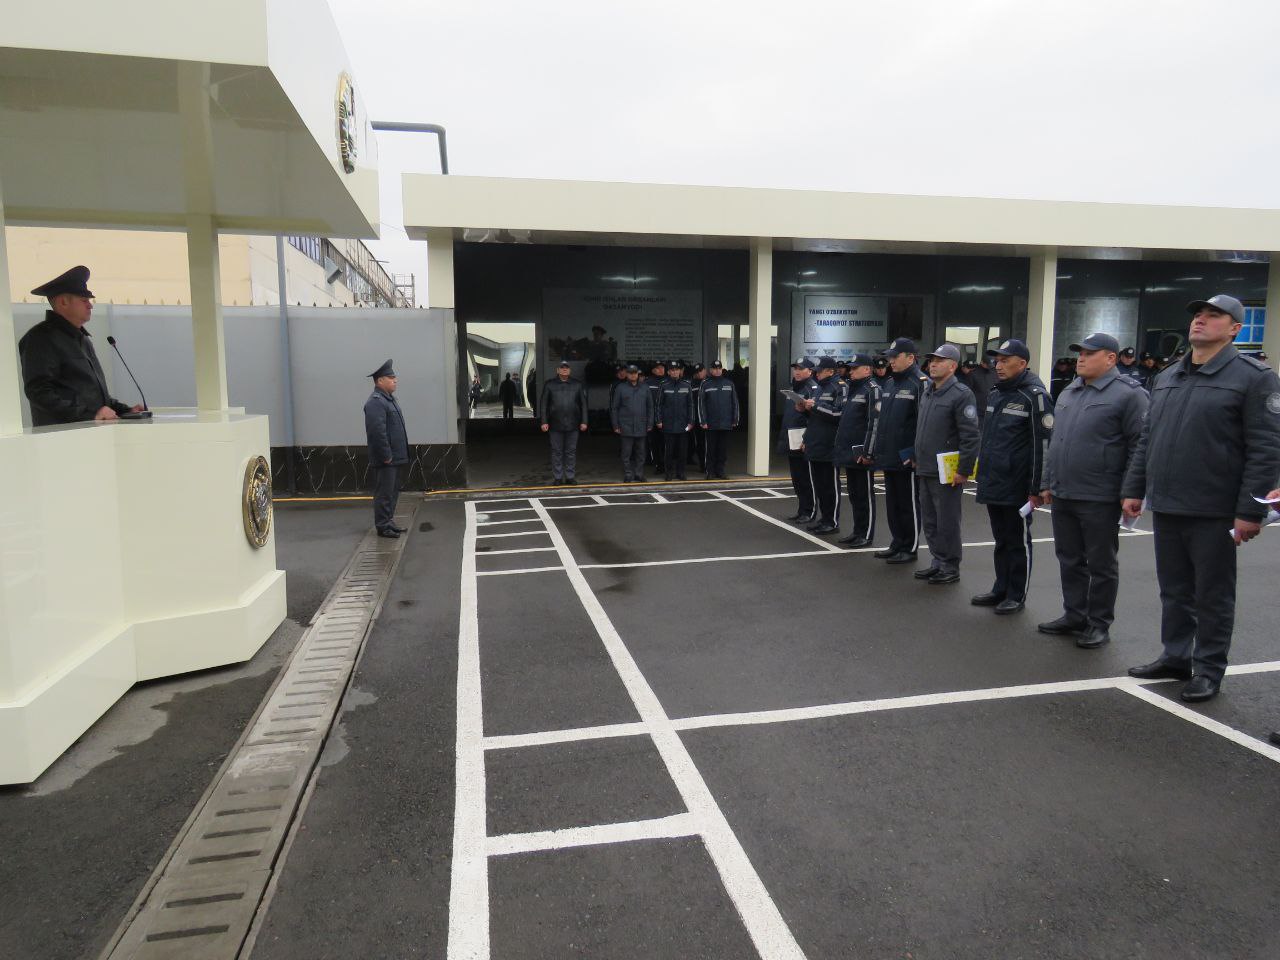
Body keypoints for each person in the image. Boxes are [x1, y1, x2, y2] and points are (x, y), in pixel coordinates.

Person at [1121, 294, 1280, 702]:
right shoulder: (1168, 376)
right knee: (1174, 589)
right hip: (1169, 502)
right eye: (1197, 314)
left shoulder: (1254, 378)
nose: (1200, 320)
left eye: (1213, 316)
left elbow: (1265, 448)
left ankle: (1208, 668)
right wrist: (1134, 488)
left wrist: (1251, 510)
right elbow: (1148, 438)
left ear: (1234, 329)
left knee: (1212, 594)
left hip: (1215, 508)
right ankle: (1176, 656)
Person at [1036, 333, 1149, 648]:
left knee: (1101, 563)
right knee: (1069, 558)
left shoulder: (1129, 394)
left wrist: (1132, 490)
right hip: (1065, 491)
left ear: (1111, 358)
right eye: (1080, 353)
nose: (1081, 358)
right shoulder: (1070, 391)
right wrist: (1047, 481)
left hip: (1100, 494)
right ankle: (1075, 614)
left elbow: (1140, 446)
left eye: (1089, 353)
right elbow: (1055, 442)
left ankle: (1099, 622)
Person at [971, 339, 1053, 614]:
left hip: (1017, 483)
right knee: (1001, 539)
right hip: (995, 479)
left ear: (1023, 363)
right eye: (997, 360)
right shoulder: (996, 393)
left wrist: (1038, 485)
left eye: (1005, 360)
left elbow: (1043, 444)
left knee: (1018, 541)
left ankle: (1016, 594)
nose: (999, 365)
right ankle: (1001, 587)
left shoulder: (1035, 396)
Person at [18, 265, 145, 425]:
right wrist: (90, 415)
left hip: (90, 432)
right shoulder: (40, 338)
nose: (90, 305)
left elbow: (94, 397)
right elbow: (39, 392)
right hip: (62, 435)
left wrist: (126, 411)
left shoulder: (82, 339)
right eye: (84, 300)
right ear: (63, 302)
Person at [911, 344, 980, 585]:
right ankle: (937, 561)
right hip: (926, 466)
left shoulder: (961, 394)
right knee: (930, 520)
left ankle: (950, 566)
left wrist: (964, 470)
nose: (933, 364)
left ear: (952, 366)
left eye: (939, 360)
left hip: (946, 471)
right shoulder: (928, 391)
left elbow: (970, 436)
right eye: (932, 360)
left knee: (947, 521)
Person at [871, 338, 928, 563]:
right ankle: (897, 542)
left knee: (908, 503)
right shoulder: (890, 383)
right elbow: (883, 420)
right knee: (893, 503)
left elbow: (924, 423)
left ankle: (909, 547)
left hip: (907, 456)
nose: (891, 361)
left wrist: (915, 452)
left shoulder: (919, 383)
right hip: (889, 452)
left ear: (911, 358)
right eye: (890, 357)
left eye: (895, 357)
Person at [833, 354, 881, 547]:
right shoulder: (853, 388)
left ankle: (866, 534)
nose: (850, 371)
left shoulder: (873, 390)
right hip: (850, 451)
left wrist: (869, 452)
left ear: (867, 369)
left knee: (864, 495)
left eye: (855, 368)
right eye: (850, 368)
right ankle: (857, 531)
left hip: (861, 452)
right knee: (854, 494)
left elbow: (874, 423)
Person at [363, 359, 409, 539]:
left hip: (395, 457)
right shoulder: (376, 402)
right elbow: (377, 432)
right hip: (386, 459)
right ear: (380, 381)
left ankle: (389, 521)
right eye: (391, 377)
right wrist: (386, 456)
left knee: (392, 493)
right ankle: (383, 526)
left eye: (394, 377)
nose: (395, 380)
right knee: (384, 493)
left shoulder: (389, 400)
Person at [800, 357, 847, 533]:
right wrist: (805, 409)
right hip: (815, 441)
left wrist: (815, 406)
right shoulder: (819, 388)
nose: (817, 374)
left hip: (829, 444)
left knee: (830, 486)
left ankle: (832, 522)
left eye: (820, 371)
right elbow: (815, 416)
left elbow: (839, 414)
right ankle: (824, 518)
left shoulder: (840, 387)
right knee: (820, 486)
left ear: (830, 371)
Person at [778, 358, 821, 522]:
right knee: (797, 479)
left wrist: (808, 438)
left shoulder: (813, 389)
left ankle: (810, 511)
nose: (796, 371)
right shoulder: (793, 388)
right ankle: (802, 509)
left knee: (807, 478)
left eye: (801, 368)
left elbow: (815, 417)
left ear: (810, 371)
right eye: (795, 368)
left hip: (803, 439)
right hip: (791, 438)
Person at [539, 360, 588, 485]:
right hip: (555, 424)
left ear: (570, 370)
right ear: (557, 370)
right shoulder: (549, 384)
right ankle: (558, 477)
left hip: (573, 424)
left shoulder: (577, 384)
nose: (564, 369)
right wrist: (544, 421)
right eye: (562, 367)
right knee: (557, 452)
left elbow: (583, 404)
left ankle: (570, 476)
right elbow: (544, 404)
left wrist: (584, 421)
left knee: (571, 452)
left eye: (566, 367)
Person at [611, 363, 653, 482]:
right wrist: (615, 425)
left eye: (635, 373)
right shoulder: (620, 388)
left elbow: (650, 407)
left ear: (638, 374)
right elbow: (614, 408)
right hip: (626, 425)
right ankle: (628, 474)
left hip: (641, 425)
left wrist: (650, 423)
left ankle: (639, 474)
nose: (633, 375)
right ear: (627, 374)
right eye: (630, 373)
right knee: (626, 453)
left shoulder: (645, 388)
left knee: (641, 453)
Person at [698, 359, 739, 479]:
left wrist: (735, 419)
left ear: (721, 369)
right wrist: (703, 421)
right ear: (710, 370)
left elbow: (735, 402)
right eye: (715, 368)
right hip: (710, 424)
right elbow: (701, 404)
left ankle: (720, 471)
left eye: (719, 368)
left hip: (725, 423)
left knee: (722, 450)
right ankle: (710, 471)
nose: (717, 370)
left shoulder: (729, 383)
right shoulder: (705, 384)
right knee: (710, 449)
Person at [656, 360, 695, 480]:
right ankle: (669, 473)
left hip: (683, 425)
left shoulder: (686, 385)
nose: (674, 372)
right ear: (668, 372)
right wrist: (658, 420)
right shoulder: (663, 385)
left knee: (682, 451)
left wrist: (691, 421)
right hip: (668, 424)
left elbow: (691, 405)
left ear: (680, 371)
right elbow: (658, 404)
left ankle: (680, 473)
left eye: (676, 370)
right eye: (672, 370)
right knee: (669, 451)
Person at [645, 360, 668, 474]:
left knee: (666, 443)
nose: (661, 370)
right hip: (652, 419)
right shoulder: (647, 383)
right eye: (658, 368)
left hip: (666, 418)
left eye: (662, 367)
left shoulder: (668, 381)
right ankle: (658, 465)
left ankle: (667, 464)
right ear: (653, 370)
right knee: (654, 444)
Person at [688, 362, 709, 469]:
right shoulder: (691, 385)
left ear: (705, 370)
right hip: (696, 419)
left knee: (710, 443)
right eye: (697, 372)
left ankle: (710, 464)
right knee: (700, 443)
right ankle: (703, 465)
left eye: (701, 371)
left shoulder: (710, 382)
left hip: (709, 418)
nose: (699, 373)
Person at [966, 355, 996, 424]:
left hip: (992, 409)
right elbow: (967, 392)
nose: (989, 367)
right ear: (982, 362)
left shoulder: (994, 372)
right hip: (978, 410)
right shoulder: (973, 374)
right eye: (988, 365)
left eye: (991, 365)